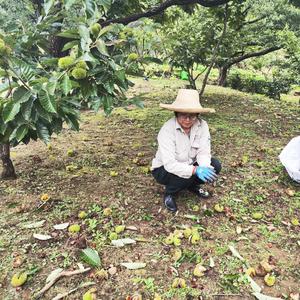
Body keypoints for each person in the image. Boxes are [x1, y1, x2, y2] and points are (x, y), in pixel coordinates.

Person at [151, 89, 221, 212]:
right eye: (184, 115)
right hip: (164, 169)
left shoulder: (202, 125)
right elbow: (170, 164)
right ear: (176, 113)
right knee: (185, 174)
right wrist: (194, 170)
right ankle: (170, 193)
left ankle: (192, 185)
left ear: (197, 115)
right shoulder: (167, 130)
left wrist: (204, 167)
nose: (188, 119)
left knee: (215, 165)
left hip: (189, 163)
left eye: (192, 115)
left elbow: (203, 151)